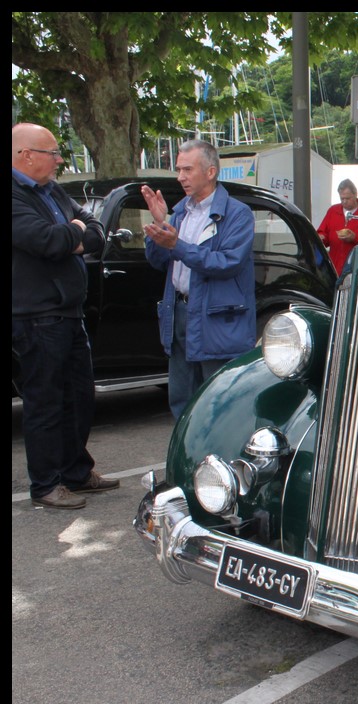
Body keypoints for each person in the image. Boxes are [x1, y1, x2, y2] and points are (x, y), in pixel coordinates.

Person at [12, 122, 118, 509]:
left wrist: (71, 234)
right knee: (45, 402)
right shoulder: (15, 195)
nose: (59, 160)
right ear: (25, 155)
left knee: (78, 397)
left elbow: (96, 232)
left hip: (69, 313)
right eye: (52, 153)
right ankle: (46, 484)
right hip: (37, 315)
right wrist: (71, 233)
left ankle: (76, 471)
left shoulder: (51, 190)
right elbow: (46, 241)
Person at [141, 139, 255, 419]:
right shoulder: (180, 212)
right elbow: (158, 261)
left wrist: (176, 244)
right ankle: (187, 460)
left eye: (187, 170)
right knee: (181, 399)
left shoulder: (237, 213)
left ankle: (218, 460)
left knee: (218, 402)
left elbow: (227, 263)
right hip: (179, 311)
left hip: (217, 318)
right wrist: (159, 224)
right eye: (179, 169)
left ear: (211, 172)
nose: (180, 177)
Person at [316, 178, 358, 276]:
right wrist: (321, 237)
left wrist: (355, 238)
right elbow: (323, 232)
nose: (344, 202)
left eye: (347, 198)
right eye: (342, 198)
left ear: (355, 195)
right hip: (335, 267)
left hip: (357, 268)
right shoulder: (333, 211)